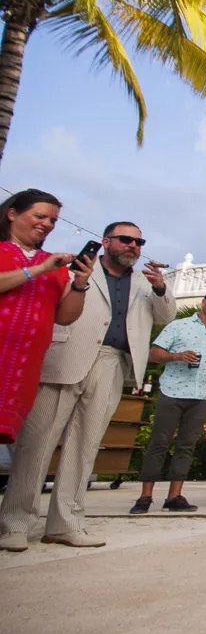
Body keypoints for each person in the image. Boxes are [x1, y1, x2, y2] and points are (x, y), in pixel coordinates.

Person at [0, 221, 173, 551]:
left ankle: (65, 523)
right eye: (126, 240)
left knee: (85, 447)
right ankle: (15, 523)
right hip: (64, 357)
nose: (133, 246)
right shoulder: (75, 269)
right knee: (36, 445)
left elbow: (164, 316)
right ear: (107, 242)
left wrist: (162, 288)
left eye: (139, 242)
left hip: (112, 363)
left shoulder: (144, 282)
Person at [130, 288, 206, 514]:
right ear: (204, 303)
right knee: (159, 443)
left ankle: (174, 497)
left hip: (201, 395)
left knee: (186, 446)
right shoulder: (178, 326)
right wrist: (177, 356)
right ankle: (145, 496)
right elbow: (154, 353)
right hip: (173, 392)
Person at [0, 190, 91, 444]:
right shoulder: (43, 264)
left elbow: (64, 317)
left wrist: (80, 284)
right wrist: (38, 270)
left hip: (22, 368)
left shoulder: (53, 265)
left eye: (52, 221)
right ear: (12, 214)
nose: (47, 225)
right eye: (40, 216)